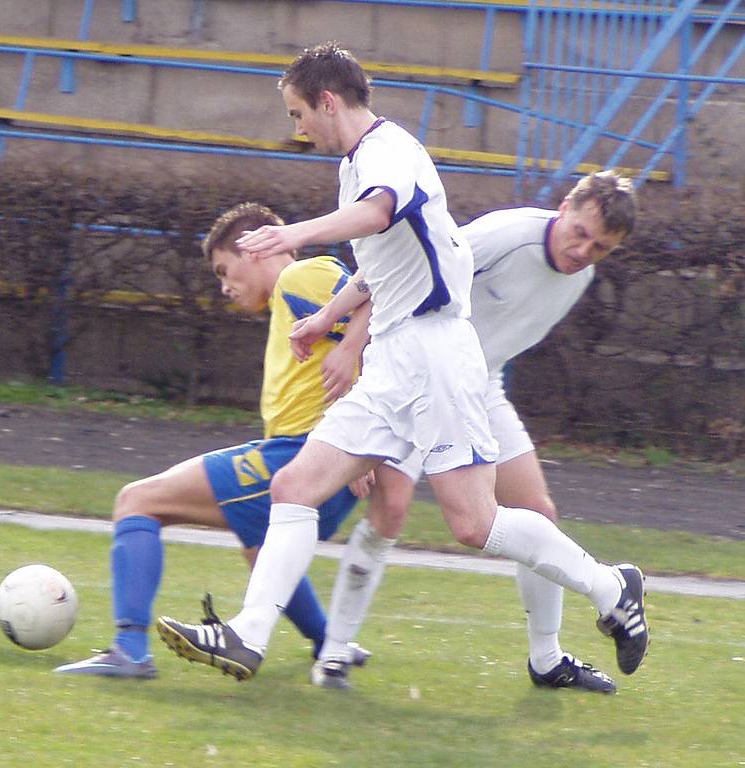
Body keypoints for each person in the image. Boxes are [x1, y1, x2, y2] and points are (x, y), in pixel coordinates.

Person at [155, 42, 649, 686]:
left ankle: (612, 588)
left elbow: (379, 212)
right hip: (395, 355)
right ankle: (249, 637)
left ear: (328, 101)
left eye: (299, 112)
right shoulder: (361, 161)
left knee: (474, 523)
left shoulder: (389, 152)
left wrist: (295, 234)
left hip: (436, 355)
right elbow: (387, 266)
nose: (297, 126)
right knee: (295, 487)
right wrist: (328, 318)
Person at [313, 170, 638, 693]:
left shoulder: (581, 276)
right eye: (580, 232)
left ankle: (547, 659)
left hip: (476, 385)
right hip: (415, 375)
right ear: (564, 207)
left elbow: (493, 341)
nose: (584, 250)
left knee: (538, 514)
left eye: (600, 247)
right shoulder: (508, 235)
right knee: (391, 508)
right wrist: (354, 353)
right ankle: (332, 653)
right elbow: (406, 275)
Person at [54, 201, 374, 678]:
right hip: (318, 459)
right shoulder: (290, 299)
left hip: (303, 454)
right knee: (257, 546)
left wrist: (361, 437)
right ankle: (330, 646)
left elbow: (381, 307)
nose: (225, 286)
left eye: (226, 270)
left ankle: (130, 651)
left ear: (253, 249)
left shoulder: (300, 277)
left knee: (137, 501)